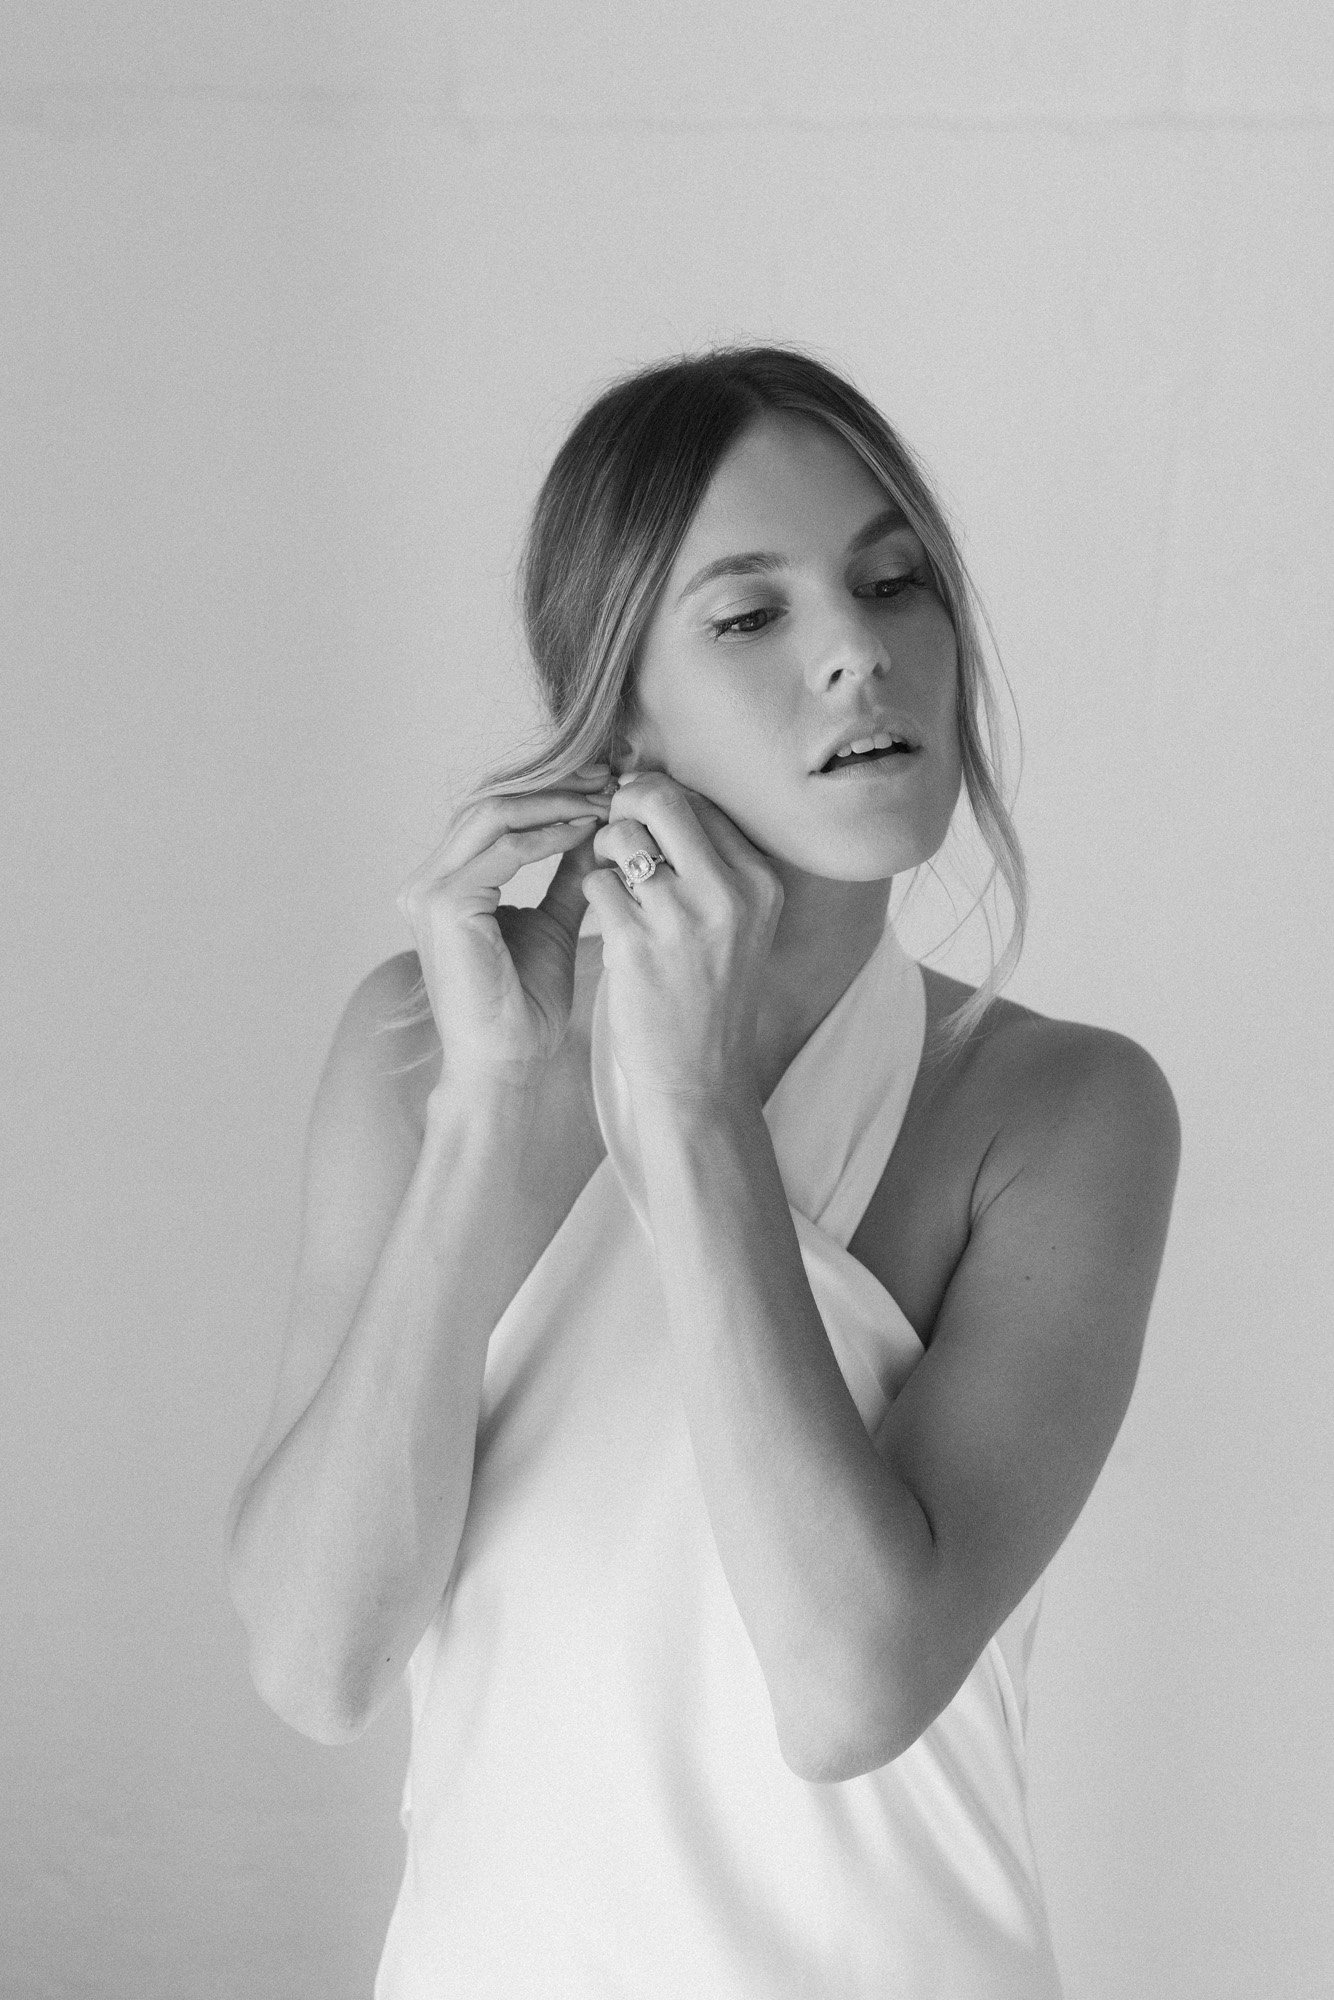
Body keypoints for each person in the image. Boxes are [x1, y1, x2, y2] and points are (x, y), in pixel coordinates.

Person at [226, 346, 1181, 1998]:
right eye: (748, 616)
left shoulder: (1063, 1111)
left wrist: (686, 1116)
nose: (857, 654)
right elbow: (316, 1662)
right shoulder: (426, 1049)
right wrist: (491, 1117)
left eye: (894, 584)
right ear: (613, 708)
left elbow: (845, 1690)